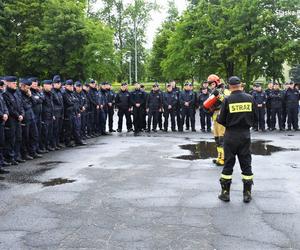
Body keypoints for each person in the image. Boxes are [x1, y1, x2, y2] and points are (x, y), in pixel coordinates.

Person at [217, 76, 256, 203]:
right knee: (246, 164)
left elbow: (221, 120)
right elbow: (256, 117)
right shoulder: (250, 98)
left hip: (231, 135)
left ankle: (225, 193)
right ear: (240, 85)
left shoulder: (228, 100)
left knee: (228, 163)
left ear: (229, 87)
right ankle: (247, 194)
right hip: (245, 135)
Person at [204, 74, 230, 166]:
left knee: (222, 138)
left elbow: (227, 101)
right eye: (209, 84)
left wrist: (219, 96)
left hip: (222, 118)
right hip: (215, 118)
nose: (211, 85)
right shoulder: (213, 92)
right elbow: (210, 104)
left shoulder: (225, 90)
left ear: (217, 82)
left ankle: (224, 158)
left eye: (212, 83)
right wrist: (208, 109)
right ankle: (220, 157)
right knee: (217, 139)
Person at [3, 76, 25, 165]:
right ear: (7, 83)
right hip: (11, 120)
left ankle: (16, 156)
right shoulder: (5, 94)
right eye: (13, 83)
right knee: (11, 139)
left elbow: (21, 106)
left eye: (16, 83)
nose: (15, 85)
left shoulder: (16, 94)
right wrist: (18, 115)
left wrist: (22, 114)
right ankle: (10, 157)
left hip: (18, 119)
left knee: (18, 138)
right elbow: (10, 108)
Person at [19, 78, 41, 160]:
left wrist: (30, 95)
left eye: (29, 88)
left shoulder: (28, 93)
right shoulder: (19, 94)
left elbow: (35, 103)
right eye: (27, 88)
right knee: (25, 137)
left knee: (34, 135)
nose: (28, 89)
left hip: (32, 117)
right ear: (22, 86)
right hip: (25, 118)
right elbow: (24, 106)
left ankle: (33, 151)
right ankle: (25, 154)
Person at [63, 80, 86, 147]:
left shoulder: (72, 93)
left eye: (72, 86)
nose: (72, 87)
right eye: (70, 86)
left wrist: (78, 111)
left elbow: (76, 103)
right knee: (68, 129)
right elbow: (70, 103)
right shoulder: (65, 93)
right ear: (66, 86)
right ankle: (68, 142)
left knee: (76, 128)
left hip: (74, 112)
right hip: (68, 113)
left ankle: (78, 141)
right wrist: (74, 103)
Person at [41, 80, 55, 152]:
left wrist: (52, 114)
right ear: (44, 85)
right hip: (44, 115)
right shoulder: (42, 93)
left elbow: (51, 105)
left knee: (49, 132)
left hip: (50, 115)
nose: (51, 87)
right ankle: (43, 146)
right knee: (44, 132)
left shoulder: (50, 94)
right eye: (49, 85)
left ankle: (47, 145)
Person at [52, 75, 64, 149]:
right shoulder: (52, 92)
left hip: (60, 113)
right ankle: (54, 144)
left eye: (60, 83)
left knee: (59, 129)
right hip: (55, 113)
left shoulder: (59, 92)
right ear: (54, 84)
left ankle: (57, 143)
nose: (60, 85)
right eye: (58, 83)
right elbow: (52, 104)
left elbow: (61, 104)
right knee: (55, 129)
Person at [0, 79, 9, 174]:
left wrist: (5, 113)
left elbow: (5, 106)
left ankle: (1, 164)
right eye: (3, 86)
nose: (4, 88)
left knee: (1, 143)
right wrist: (2, 115)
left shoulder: (1, 95)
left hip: (1, 122)